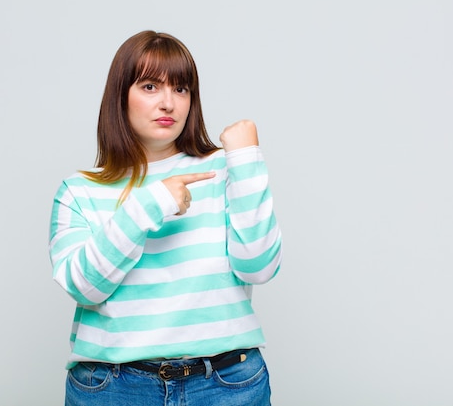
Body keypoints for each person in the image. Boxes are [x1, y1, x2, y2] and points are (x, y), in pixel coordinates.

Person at [48, 30, 282, 406]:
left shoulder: (224, 168)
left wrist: (247, 159)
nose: (169, 103)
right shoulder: (80, 190)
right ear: (120, 95)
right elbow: (84, 287)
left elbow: (259, 267)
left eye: (181, 89)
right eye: (151, 86)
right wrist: (151, 203)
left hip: (225, 386)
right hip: (114, 389)